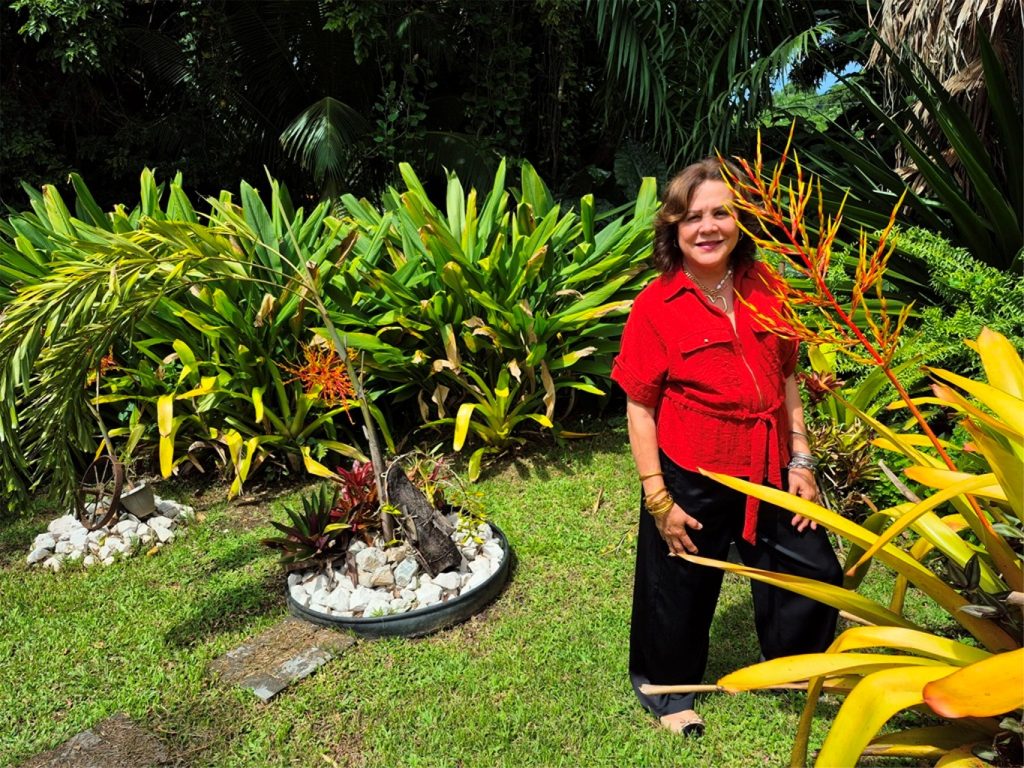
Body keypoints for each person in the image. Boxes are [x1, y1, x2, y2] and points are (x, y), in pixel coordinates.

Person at [611, 157, 842, 737]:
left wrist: (801, 458)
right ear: (674, 228)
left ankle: (791, 664)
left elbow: (786, 376)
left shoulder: (768, 287)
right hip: (693, 468)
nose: (708, 227)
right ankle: (667, 690)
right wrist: (658, 497)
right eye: (693, 217)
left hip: (769, 462)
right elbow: (639, 407)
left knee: (812, 567)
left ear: (740, 222)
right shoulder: (656, 305)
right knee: (680, 583)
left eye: (721, 213)